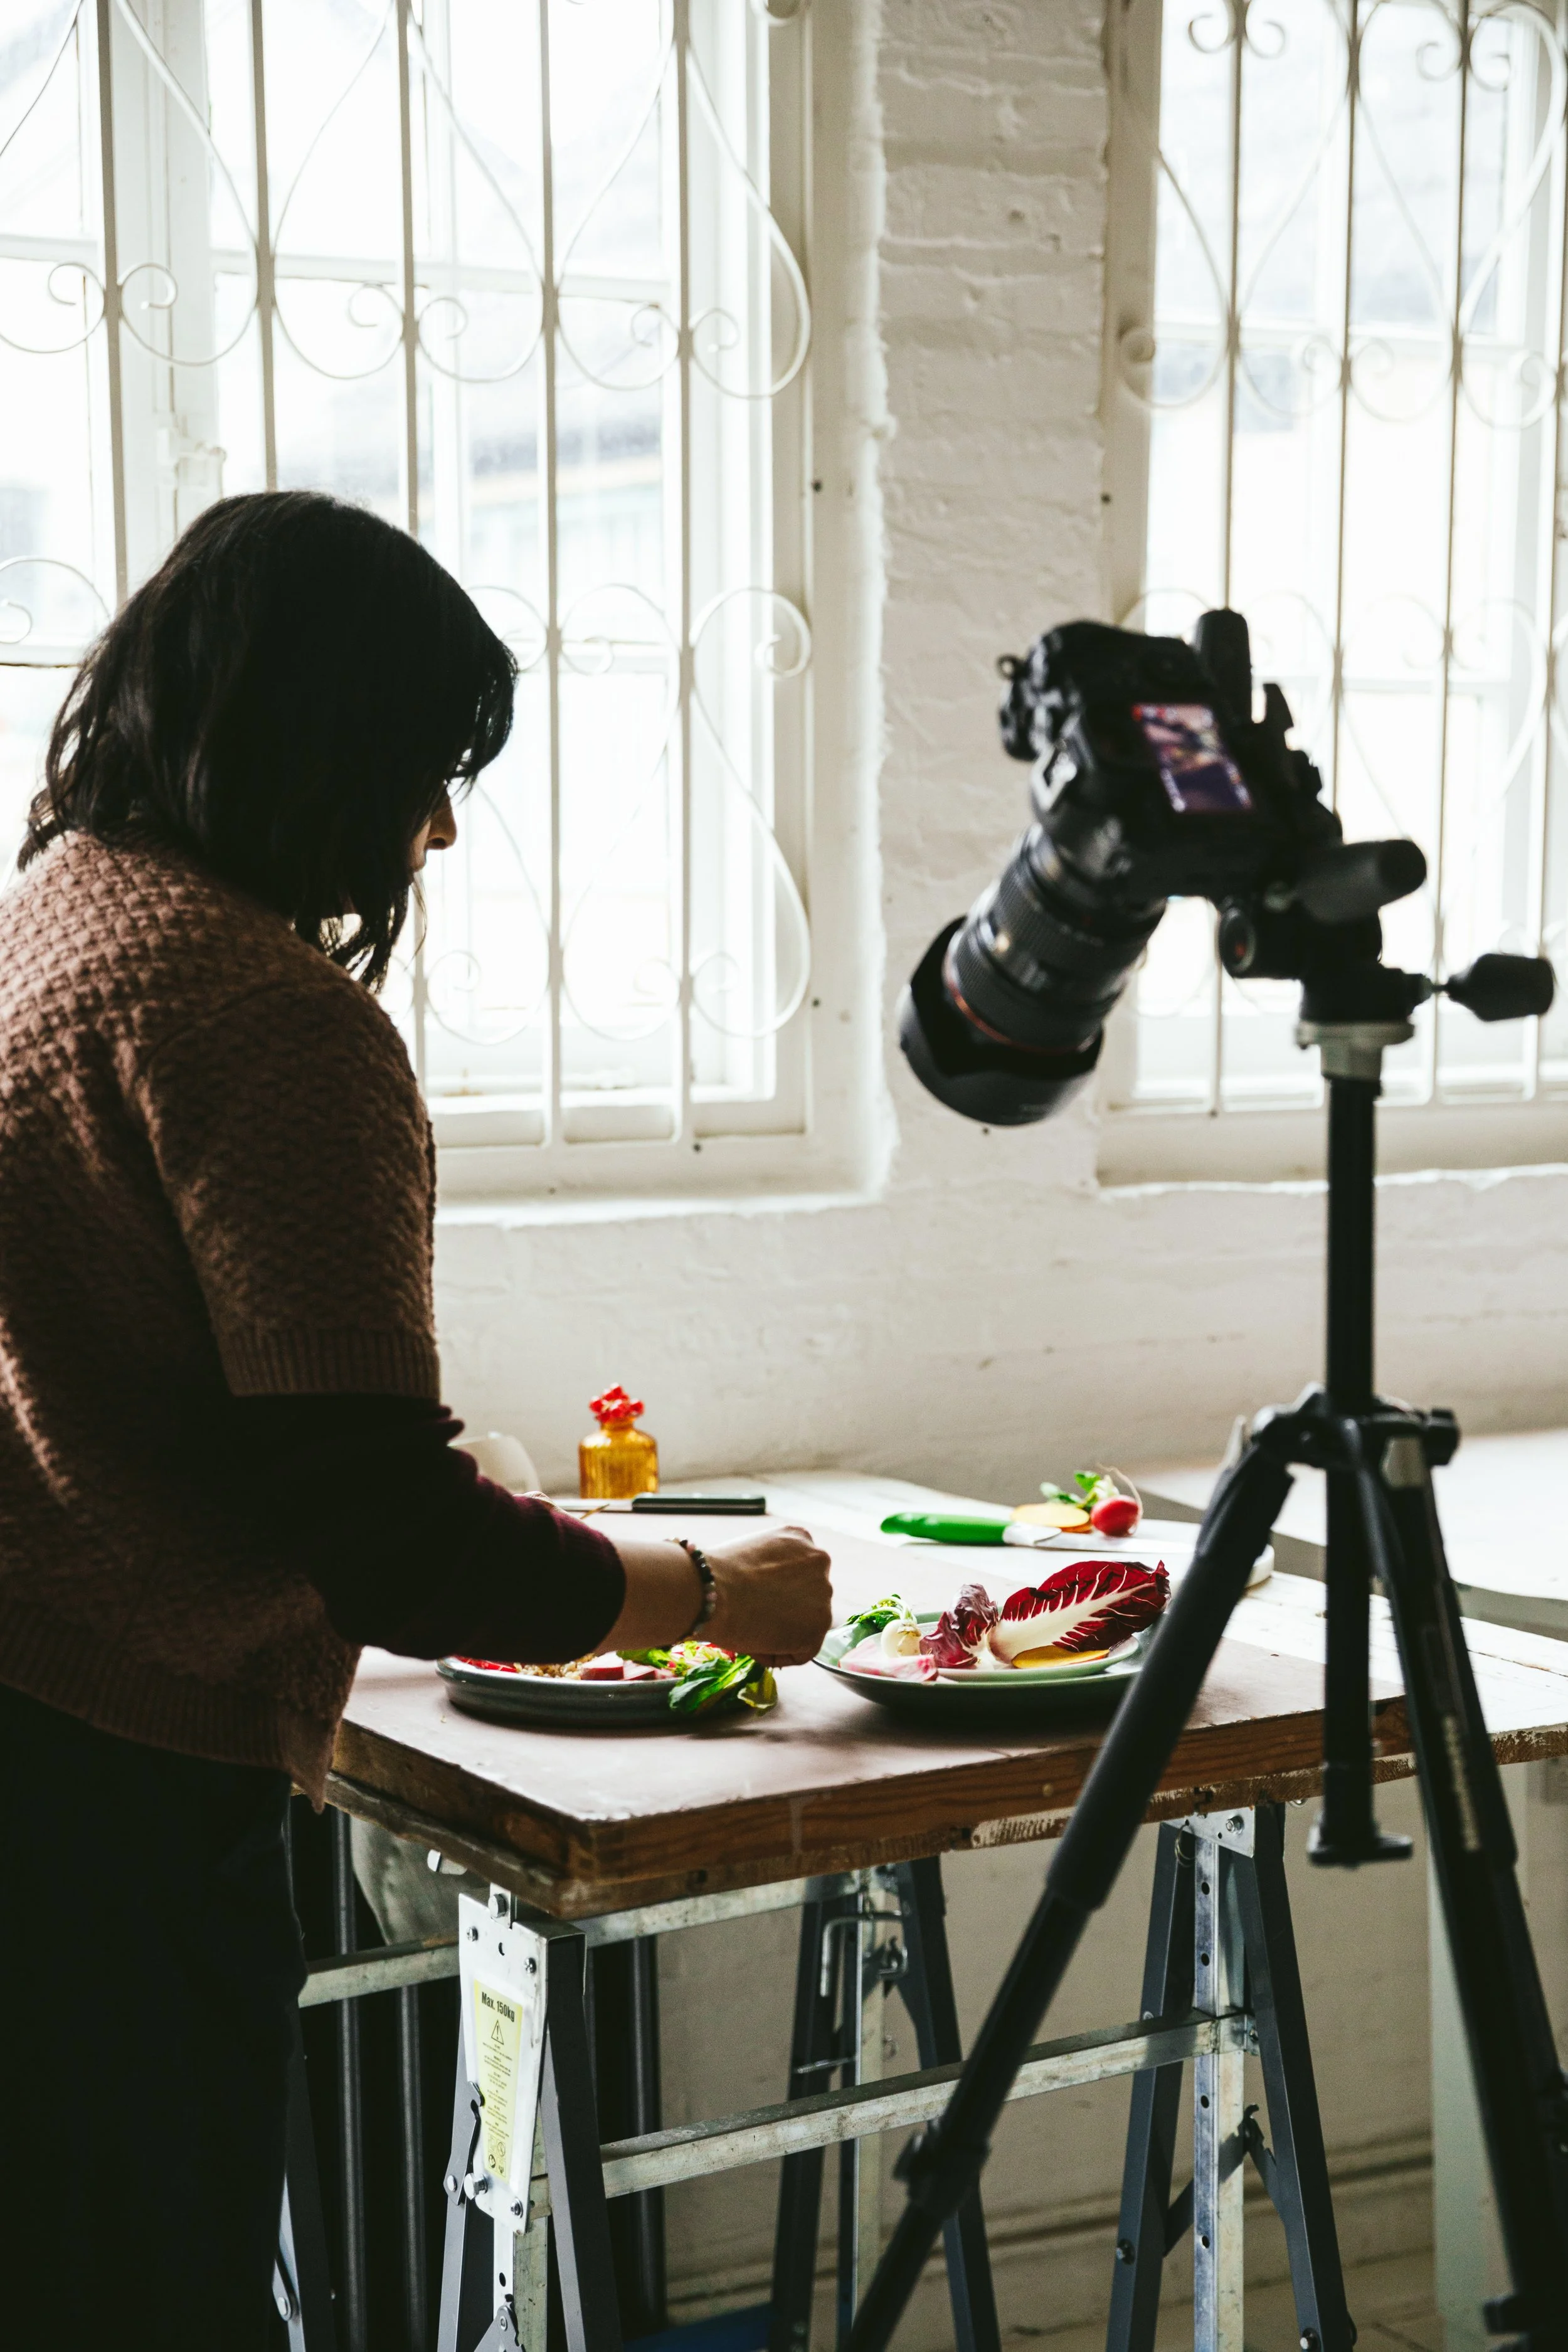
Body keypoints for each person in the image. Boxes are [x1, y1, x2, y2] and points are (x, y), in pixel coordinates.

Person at [0, 490, 832, 2347]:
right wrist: (714, 1590)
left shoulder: (55, 917)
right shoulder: (268, 1018)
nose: (438, 826)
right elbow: (389, 1536)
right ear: (320, 743)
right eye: (425, 770)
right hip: (109, 1799)